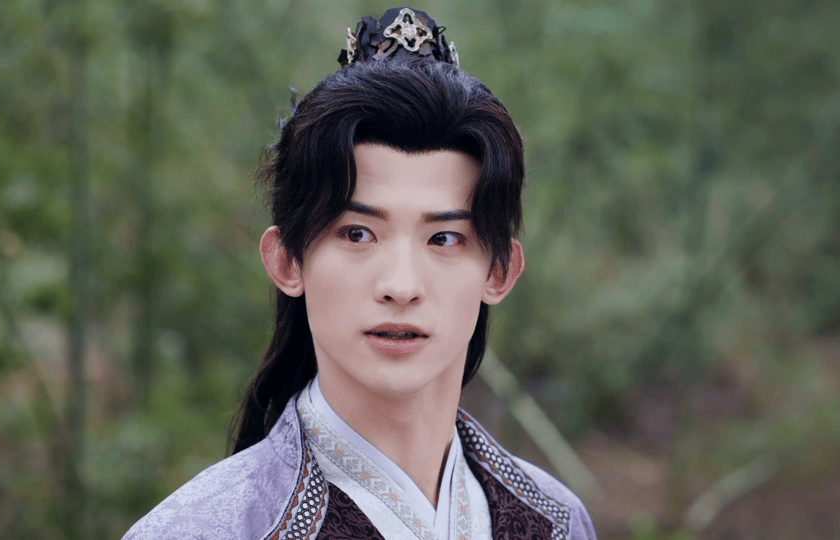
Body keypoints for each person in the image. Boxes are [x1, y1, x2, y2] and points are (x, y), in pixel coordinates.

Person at [124, 7, 597, 540]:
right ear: (287, 260)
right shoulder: (201, 529)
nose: (401, 287)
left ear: (500, 271)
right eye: (357, 234)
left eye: (444, 238)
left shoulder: (558, 522)